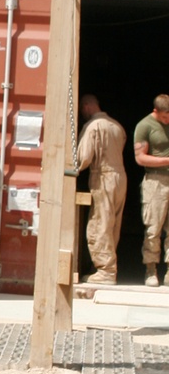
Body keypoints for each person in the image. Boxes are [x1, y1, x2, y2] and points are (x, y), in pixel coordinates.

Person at [77, 95, 127, 284]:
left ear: (87, 106)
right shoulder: (117, 126)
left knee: (100, 222)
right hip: (120, 176)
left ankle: (105, 270)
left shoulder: (93, 126)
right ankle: (106, 265)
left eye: (82, 108)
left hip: (103, 176)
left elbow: (83, 158)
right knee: (113, 223)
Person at [133, 94, 169, 286]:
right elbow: (140, 158)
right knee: (153, 228)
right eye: (165, 116)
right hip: (156, 180)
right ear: (156, 111)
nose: (168, 120)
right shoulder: (145, 126)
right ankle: (151, 270)